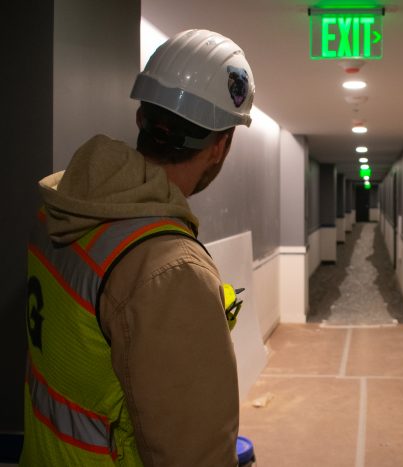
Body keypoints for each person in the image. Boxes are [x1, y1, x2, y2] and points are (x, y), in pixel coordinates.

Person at [21, 29, 254, 466]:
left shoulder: (56, 210)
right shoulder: (168, 269)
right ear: (221, 146)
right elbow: (193, 454)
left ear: (140, 119)